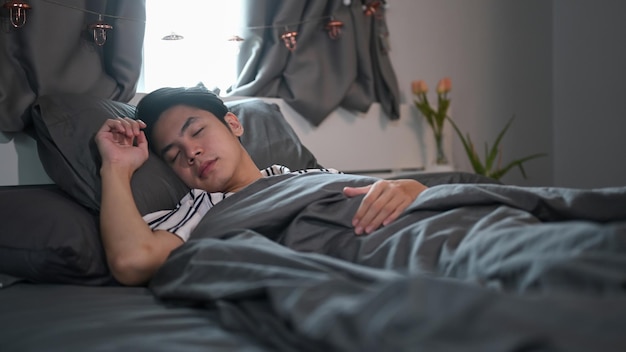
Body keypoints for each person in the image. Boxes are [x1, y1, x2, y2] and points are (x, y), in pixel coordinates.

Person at [94, 87, 428, 286]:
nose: (191, 152)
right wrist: (116, 167)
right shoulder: (206, 207)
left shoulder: (310, 177)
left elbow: (395, 197)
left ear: (232, 124)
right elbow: (132, 261)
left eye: (196, 132)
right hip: (374, 267)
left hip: (415, 238)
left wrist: (411, 189)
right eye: (174, 155)